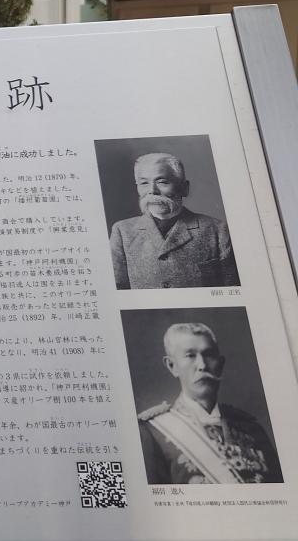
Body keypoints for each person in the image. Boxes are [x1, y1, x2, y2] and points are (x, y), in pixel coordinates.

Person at [138, 322, 281, 484]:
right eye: (190, 355)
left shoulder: (251, 428)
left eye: (209, 355)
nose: (202, 365)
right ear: (172, 366)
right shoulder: (153, 432)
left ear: (220, 364)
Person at [109, 152, 238, 290]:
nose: (152, 191)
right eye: (144, 183)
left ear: (184, 188)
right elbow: (118, 291)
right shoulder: (122, 232)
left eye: (162, 182)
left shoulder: (217, 230)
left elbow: (233, 289)